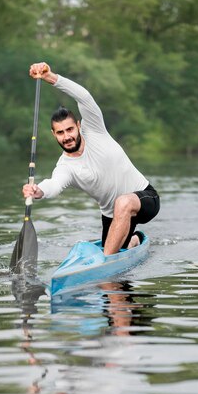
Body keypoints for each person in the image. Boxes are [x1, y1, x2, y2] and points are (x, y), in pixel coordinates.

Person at [23, 62, 160, 255]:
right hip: (111, 216)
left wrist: (51, 77)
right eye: (60, 132)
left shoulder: (94, 128)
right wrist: (38, 191)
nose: (67, 136)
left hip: (144, 198)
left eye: (70, 129)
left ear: (78, 126)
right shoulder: (66, 166)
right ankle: (134, 240)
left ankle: (107, 261)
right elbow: (54, 185)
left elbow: (84, 97)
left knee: (123, 203)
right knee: (119, 246)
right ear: (54, 134)